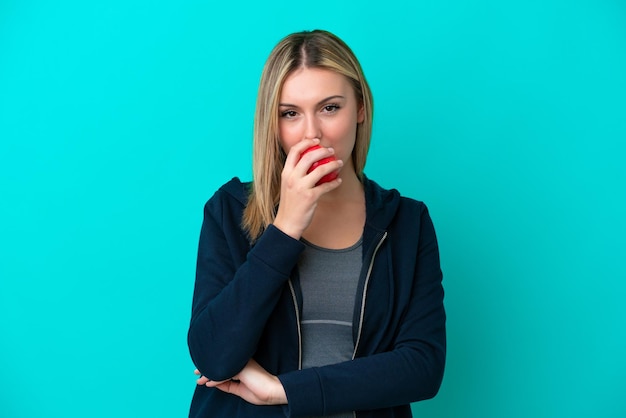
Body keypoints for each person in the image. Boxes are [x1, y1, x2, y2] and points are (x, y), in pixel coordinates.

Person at [187, 29, 446, 418]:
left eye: (330, 108)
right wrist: (285, 227)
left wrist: (282, 390)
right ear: (273, 125)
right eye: (290, 113)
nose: (311, 133)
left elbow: (423, 366)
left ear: (359, 108)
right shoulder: (229, 210)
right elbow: (213, 356)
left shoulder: (408, 222)